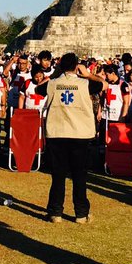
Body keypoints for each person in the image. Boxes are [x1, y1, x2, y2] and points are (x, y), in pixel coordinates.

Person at [42, 53, 102, 223]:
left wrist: (55, 75)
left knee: (58, 175)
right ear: (76, 66)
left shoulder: (53, 83)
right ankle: (81, 213)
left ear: (61, 66)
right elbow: (103, 84)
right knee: (79, 175)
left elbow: (38, 88)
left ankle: (55, 212)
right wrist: (89, 74)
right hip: (79, 134)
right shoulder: (86, 84)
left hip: (57, 133)